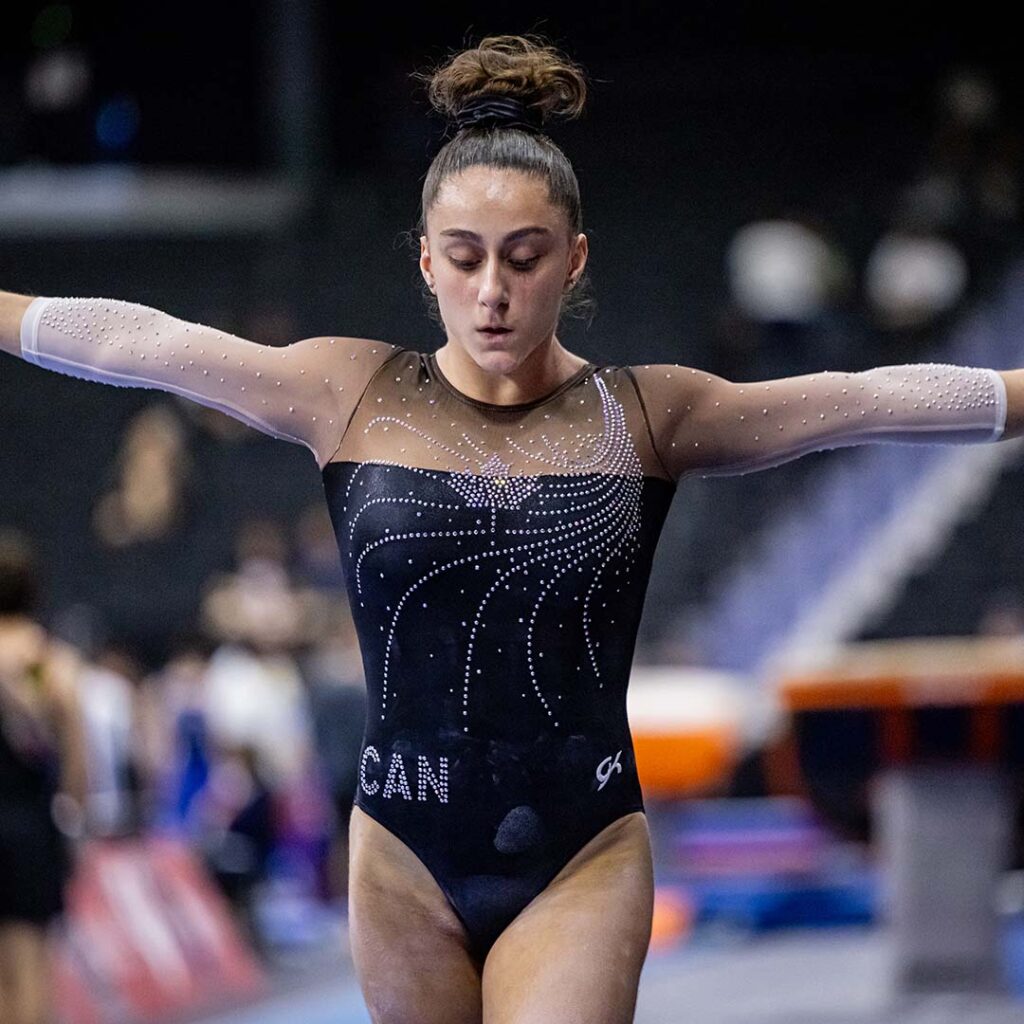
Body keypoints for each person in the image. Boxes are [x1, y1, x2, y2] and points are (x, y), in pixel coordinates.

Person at [0, 32, 1020, 1024]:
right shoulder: (347, 393)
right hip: (400, 852)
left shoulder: (649, 416)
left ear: (574, 260)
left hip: (581, 850)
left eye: (524, 258)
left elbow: (866, 396)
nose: (492, 291)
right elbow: (146, 343)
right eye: (465, 257)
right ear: (425, 264)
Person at [0, 529, 89, 1024]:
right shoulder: (45, 658)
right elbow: (76, 746)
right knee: (32, 957)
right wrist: (73, 812)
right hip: (30, 823)